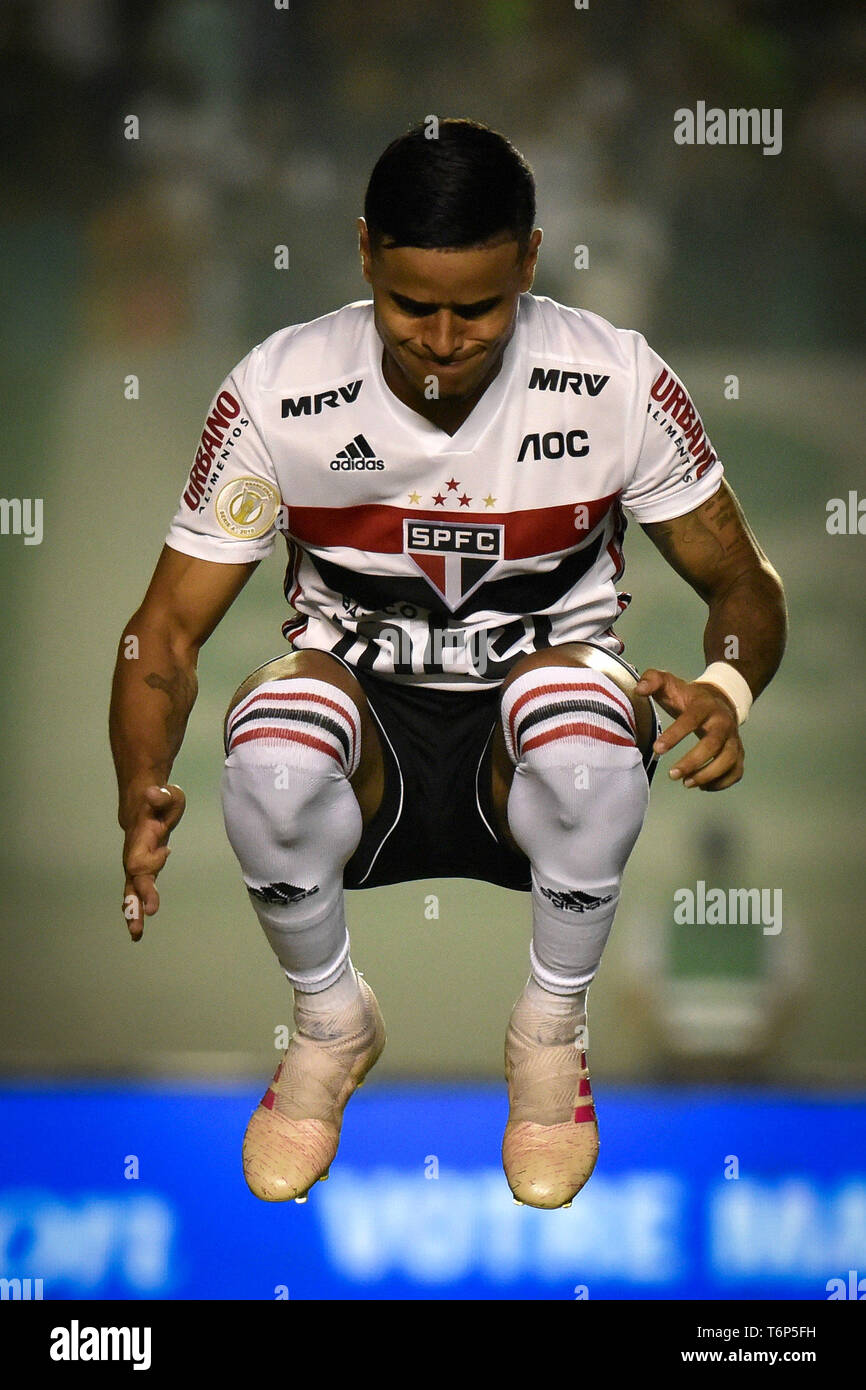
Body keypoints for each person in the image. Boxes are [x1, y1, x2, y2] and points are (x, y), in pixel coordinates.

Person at [109, 119, 786, 1211]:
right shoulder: (279, 389)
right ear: (365, 252)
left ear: (527, 259)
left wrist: (724, 684)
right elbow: (163, 633)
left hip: (537, 766)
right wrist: (137, 786)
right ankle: (328, 1025)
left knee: (573, 711)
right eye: (408, 303)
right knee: (270, 746)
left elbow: (742, 582)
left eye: (476, 306)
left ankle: (547, 1046)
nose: (440, 337)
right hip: (361, 755)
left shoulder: (612, 379)